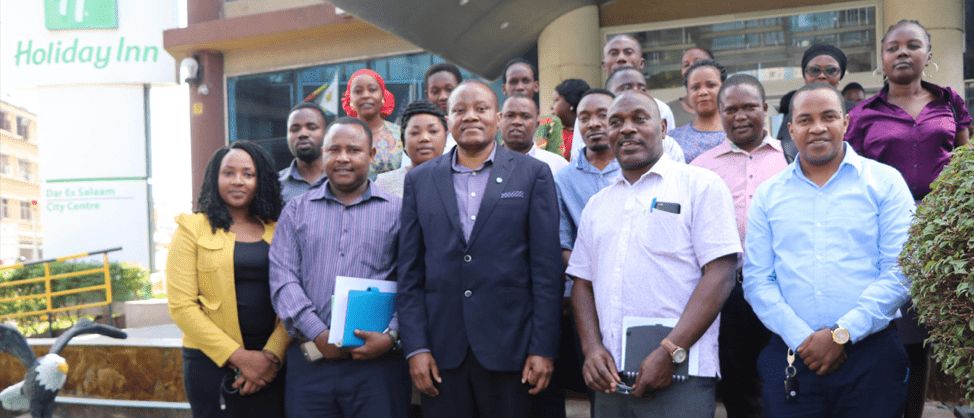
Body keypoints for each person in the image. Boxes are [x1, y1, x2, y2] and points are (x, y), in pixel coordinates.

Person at [744, 83, 914, 417]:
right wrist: (804, 340)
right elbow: (757, 280)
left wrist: (841, 334)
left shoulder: (886, 182)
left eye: (829, 116)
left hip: (871, 357)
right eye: (805, 119)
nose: (817, 127)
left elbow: (902, 270)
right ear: (790, 129)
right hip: (794, 356)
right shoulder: (768, 195)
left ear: (846, 122)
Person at [567, 91, 741, 417]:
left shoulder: (700, 185)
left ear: (663, 127)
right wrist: (591, 349)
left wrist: (670, 351)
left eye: (639, 119)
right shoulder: (597, 205)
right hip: (611, 377)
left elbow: (720, 275)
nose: (627, 129)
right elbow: (581, 284)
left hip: (680, 372)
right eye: (616, 122)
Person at [398, 80, 563, 418]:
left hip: (514, 351)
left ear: (498, 116)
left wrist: (543, 348)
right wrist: (416, 347)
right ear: (448, 119)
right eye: (460, 110)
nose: (470, 116)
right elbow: (410, 273)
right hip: (442, 354)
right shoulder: (420, 181)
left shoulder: (533, 175)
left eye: (481, 109)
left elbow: (546, 271)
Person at [844, 20, 971, 418]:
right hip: (885, 232)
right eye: (893, 47)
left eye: (912, 45)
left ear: (927, 56)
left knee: (926, 339)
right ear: (882, 59)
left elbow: (965, 165)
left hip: (941, 236)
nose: (902, 53)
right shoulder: (864, 114)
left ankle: (914, 410)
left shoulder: (950, 103)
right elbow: (852, 176)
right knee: (892, 332)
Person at [269, 117, 410, 418]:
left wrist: (392, 335)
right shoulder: (296, 211)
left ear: (371, 156)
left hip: (378, 368)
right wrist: (318, 332)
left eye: (354, 150)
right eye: (334, 149)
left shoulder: (398, 212)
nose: (343, 158)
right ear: (323, 155)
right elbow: (283, 279)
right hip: (312, 364)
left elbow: (413, 280)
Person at [167, 141, 290, 418]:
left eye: (248, 174)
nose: (238, 181)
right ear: (215, 177)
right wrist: (242, 358)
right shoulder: (191, 228)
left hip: (272, 365)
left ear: (261, 180)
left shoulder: (280, 227)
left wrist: (271, 356)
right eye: (228, 173)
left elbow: (294, 296)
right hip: (209, 361)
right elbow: (181, 306)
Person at [690, 74, 787, 418]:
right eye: (731, 109)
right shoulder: (700, 169)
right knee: (738, 385)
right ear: (720, 113)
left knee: (786, 382)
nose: (740, 116)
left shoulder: (792, 159)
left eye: (749, 107)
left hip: (784, 289)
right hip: (727, 291)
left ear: (765, 109)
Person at [568, 35, 677, 161]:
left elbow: (669, 151)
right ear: (604, 65)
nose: (621, 58)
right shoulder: (588, 110)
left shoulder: (661, 109)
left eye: (628, 52)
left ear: (641, 62)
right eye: (614, 53)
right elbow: (579, 157)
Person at [777, 44, 857, 163]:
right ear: (804, 75)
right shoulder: (793, 115)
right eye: (814, 70)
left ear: (840, 76)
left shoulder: (858, 112)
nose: (822, 75)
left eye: (831, 70)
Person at [604, 66, 686, 164]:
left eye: (642, 89)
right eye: (626, 88)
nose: (636, 92)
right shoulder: (592, 146)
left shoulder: (668, 146)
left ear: (662, 127)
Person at [376, 100, 449, 197]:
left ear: (446, 136)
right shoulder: (384, 183)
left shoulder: (457, 179)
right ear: (403, 140)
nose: (424, 138)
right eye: (415, 133)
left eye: (433, 131)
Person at [341, 69, 402, 179]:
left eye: (372, 90)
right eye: (358, 91)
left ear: (383, 96)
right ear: (350, 99)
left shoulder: (402, 134)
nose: (365, 95)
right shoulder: (341, 136)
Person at [671, 59, 727, 163]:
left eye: (711, 85)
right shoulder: (673, 139)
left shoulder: (738, 134)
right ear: (688, 93)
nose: (702, 92)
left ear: (724, 88)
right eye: (695, 87)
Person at [502, 94, 568, 174]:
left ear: (536, 124)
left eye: (525, 116)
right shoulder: (485, 162)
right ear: (499, 121)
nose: (517, 121)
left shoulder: (558, 166)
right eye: (510, 115)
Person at [279, 102, 328, 202]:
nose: (302, 134)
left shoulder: (344, 179)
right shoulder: (275, 184)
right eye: (295, 129)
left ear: (327, 133)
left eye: (311, 128)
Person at [669, 48, 715, 128]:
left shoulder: (726, 107)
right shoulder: (668, 110)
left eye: (697, 62)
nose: (690, 67)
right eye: (686, 65)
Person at [424, 62, 462, 153]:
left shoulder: (473, 128)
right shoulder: (419, 133)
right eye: (435, 91)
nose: (443, 97)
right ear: (427, 95)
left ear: (461, 89)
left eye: (449, 89)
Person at [549, 79, 590, 160]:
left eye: (556, 101)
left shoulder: (588, 133)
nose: (551, 107)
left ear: (571, 101)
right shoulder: (552, 132)